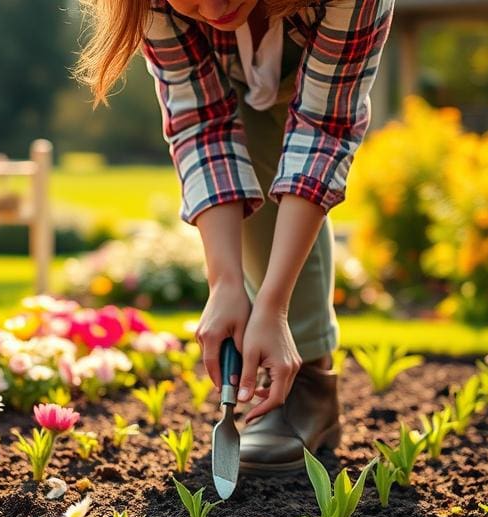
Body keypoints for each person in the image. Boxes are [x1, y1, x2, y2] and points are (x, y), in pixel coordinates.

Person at [76, 0, 394, 471]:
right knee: (250, 150)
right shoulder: (150, 4)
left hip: (318, 65)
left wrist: (273, 305)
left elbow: (321, 132)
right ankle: (302, 385)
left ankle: (309, 382)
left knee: (291, 172)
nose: (215, 6)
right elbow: (201, 125)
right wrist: (225, 283)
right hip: (234, 80)